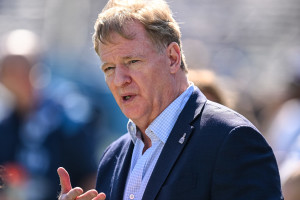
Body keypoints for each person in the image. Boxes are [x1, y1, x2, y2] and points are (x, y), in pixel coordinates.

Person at [58, 0, 283, 199]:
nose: (119, 79)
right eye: (109, 68)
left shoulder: (232, 139)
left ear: (173, 58)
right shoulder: (113, 157)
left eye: (133, 61)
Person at [0, 30, 99, 200]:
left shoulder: (68, 116)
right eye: (9, 70)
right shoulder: (6, 124)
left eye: (23, 67)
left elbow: (90, 176)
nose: (17, 77)